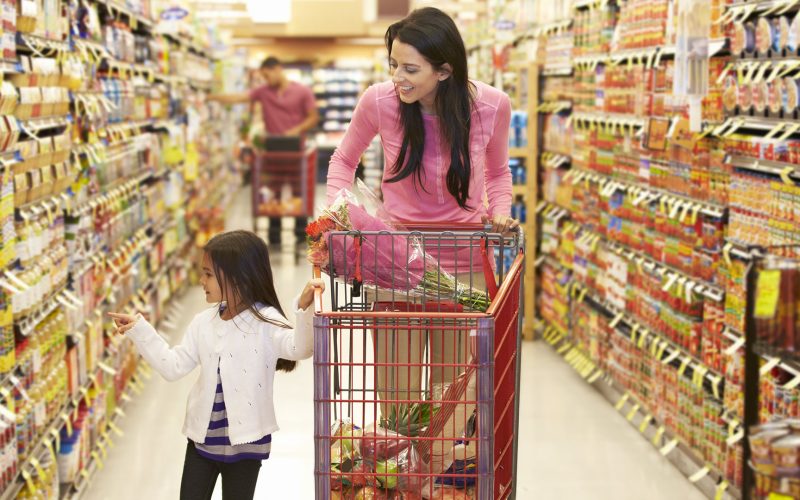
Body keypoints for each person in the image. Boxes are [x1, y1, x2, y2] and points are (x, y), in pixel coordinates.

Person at [325, 6, 519, 476]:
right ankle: (401, 480)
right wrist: (335, 211)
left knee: (450, 393)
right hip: (394, 263)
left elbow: (496, 173)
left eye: (410, 69)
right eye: (393, 64)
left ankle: (436, 477)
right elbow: (342, 160)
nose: (397, 78)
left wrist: (501, 213)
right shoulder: (380, 101)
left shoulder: (491, 105)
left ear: (445, 69)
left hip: (463, 263)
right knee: (399, 392)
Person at [109, 230, 324, 500]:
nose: (201, 281)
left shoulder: (265, 322)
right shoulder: (203, 322)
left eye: (208, 274)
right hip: (202, 441)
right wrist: (140, 331)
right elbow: (172, 366)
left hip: (247, 442)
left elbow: (299, 348)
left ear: (237, 277)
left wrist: (303, 309)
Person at [211, 57, 319, 245]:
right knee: (272, 193)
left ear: (278, 69)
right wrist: (211, 97)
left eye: (267, 75)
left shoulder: (302, 91)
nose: (265, 80)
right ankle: (274, 236)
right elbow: (239, 97)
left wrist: (293, 131)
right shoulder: (263, 92)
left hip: (296, 152)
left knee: (298, 193)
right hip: (272, 152)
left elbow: (313, 117)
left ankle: (300, 235)